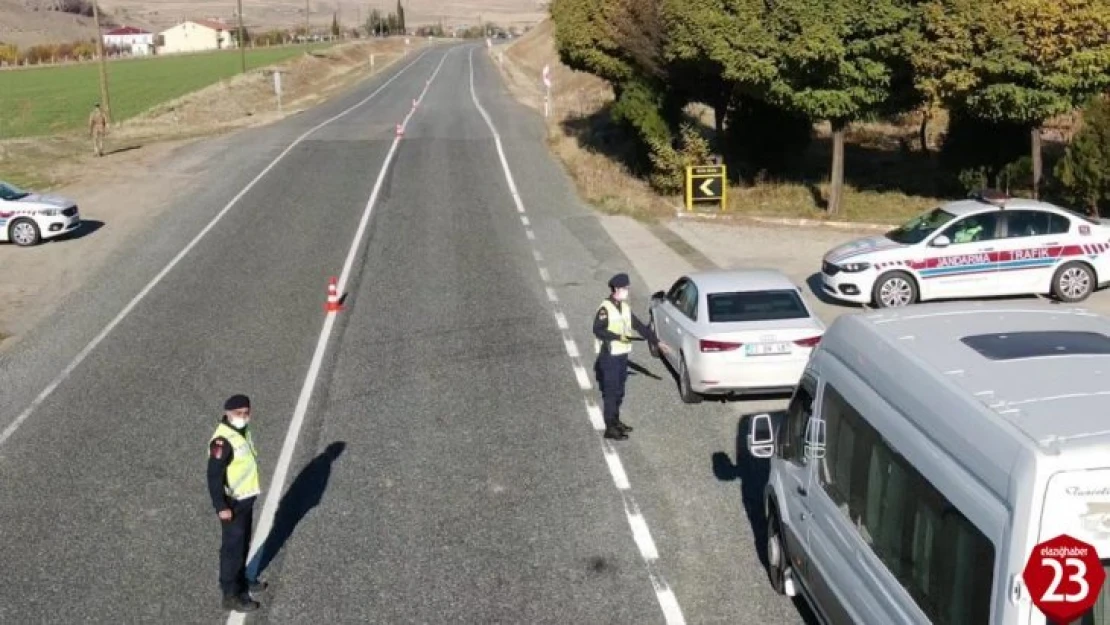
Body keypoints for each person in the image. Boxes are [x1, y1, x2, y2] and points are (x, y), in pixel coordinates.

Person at [207, 394, 267, 612]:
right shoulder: (222, 441)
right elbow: (214, 476)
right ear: (227, 413)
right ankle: (230, 594)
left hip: (245, 498)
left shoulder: (242, 431)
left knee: (243, 544)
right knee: (232, 549)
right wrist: (221, 506)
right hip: (232, 503)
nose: (243, 416)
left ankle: (242, 581)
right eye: (238, 413)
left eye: (246, 412)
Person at [592, 272, 671, 440]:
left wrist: (657, 342)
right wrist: (616, 336)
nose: (627, 291)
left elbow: (640, 326)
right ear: (616, 289)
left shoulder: (625, 307)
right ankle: (610, 428)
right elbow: (598, 330)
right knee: (611, 393)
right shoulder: (605, 309)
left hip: (622, 356)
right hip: (610, 356)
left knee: (620, 391)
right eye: (625, 288)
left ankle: (616, 421)